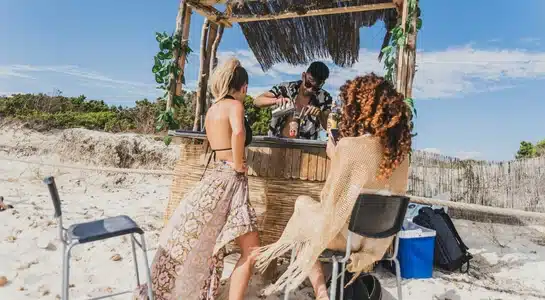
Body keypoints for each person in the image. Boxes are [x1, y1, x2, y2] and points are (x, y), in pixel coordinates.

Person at [252, 73, 413, 299]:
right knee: (307, 217)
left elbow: (331, 203)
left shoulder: (350, 148)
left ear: (359, 107)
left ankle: (321, 293)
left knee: (302, 216)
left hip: (348, 239)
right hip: (381, 241)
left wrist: (336, 155)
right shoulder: (401, 156)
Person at [134, 58, 260, 300]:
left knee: (216, 243)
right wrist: (238, 163)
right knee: (252, 251)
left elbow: (218, 142)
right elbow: (238, 131)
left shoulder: (212, 110)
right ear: (243, 87)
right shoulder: (235, 106)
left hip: (216, 176)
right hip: (232, 180)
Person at [254, 61, 333, 139]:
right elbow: (257, 101)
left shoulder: (325, 98)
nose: (310, 90)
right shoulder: (285, 88)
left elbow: (329, 127)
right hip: (276, 144)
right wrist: (275, 101)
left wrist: (320, 114)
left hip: (305, 148)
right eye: (308, 84)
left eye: (316, 88)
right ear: (303, 76)